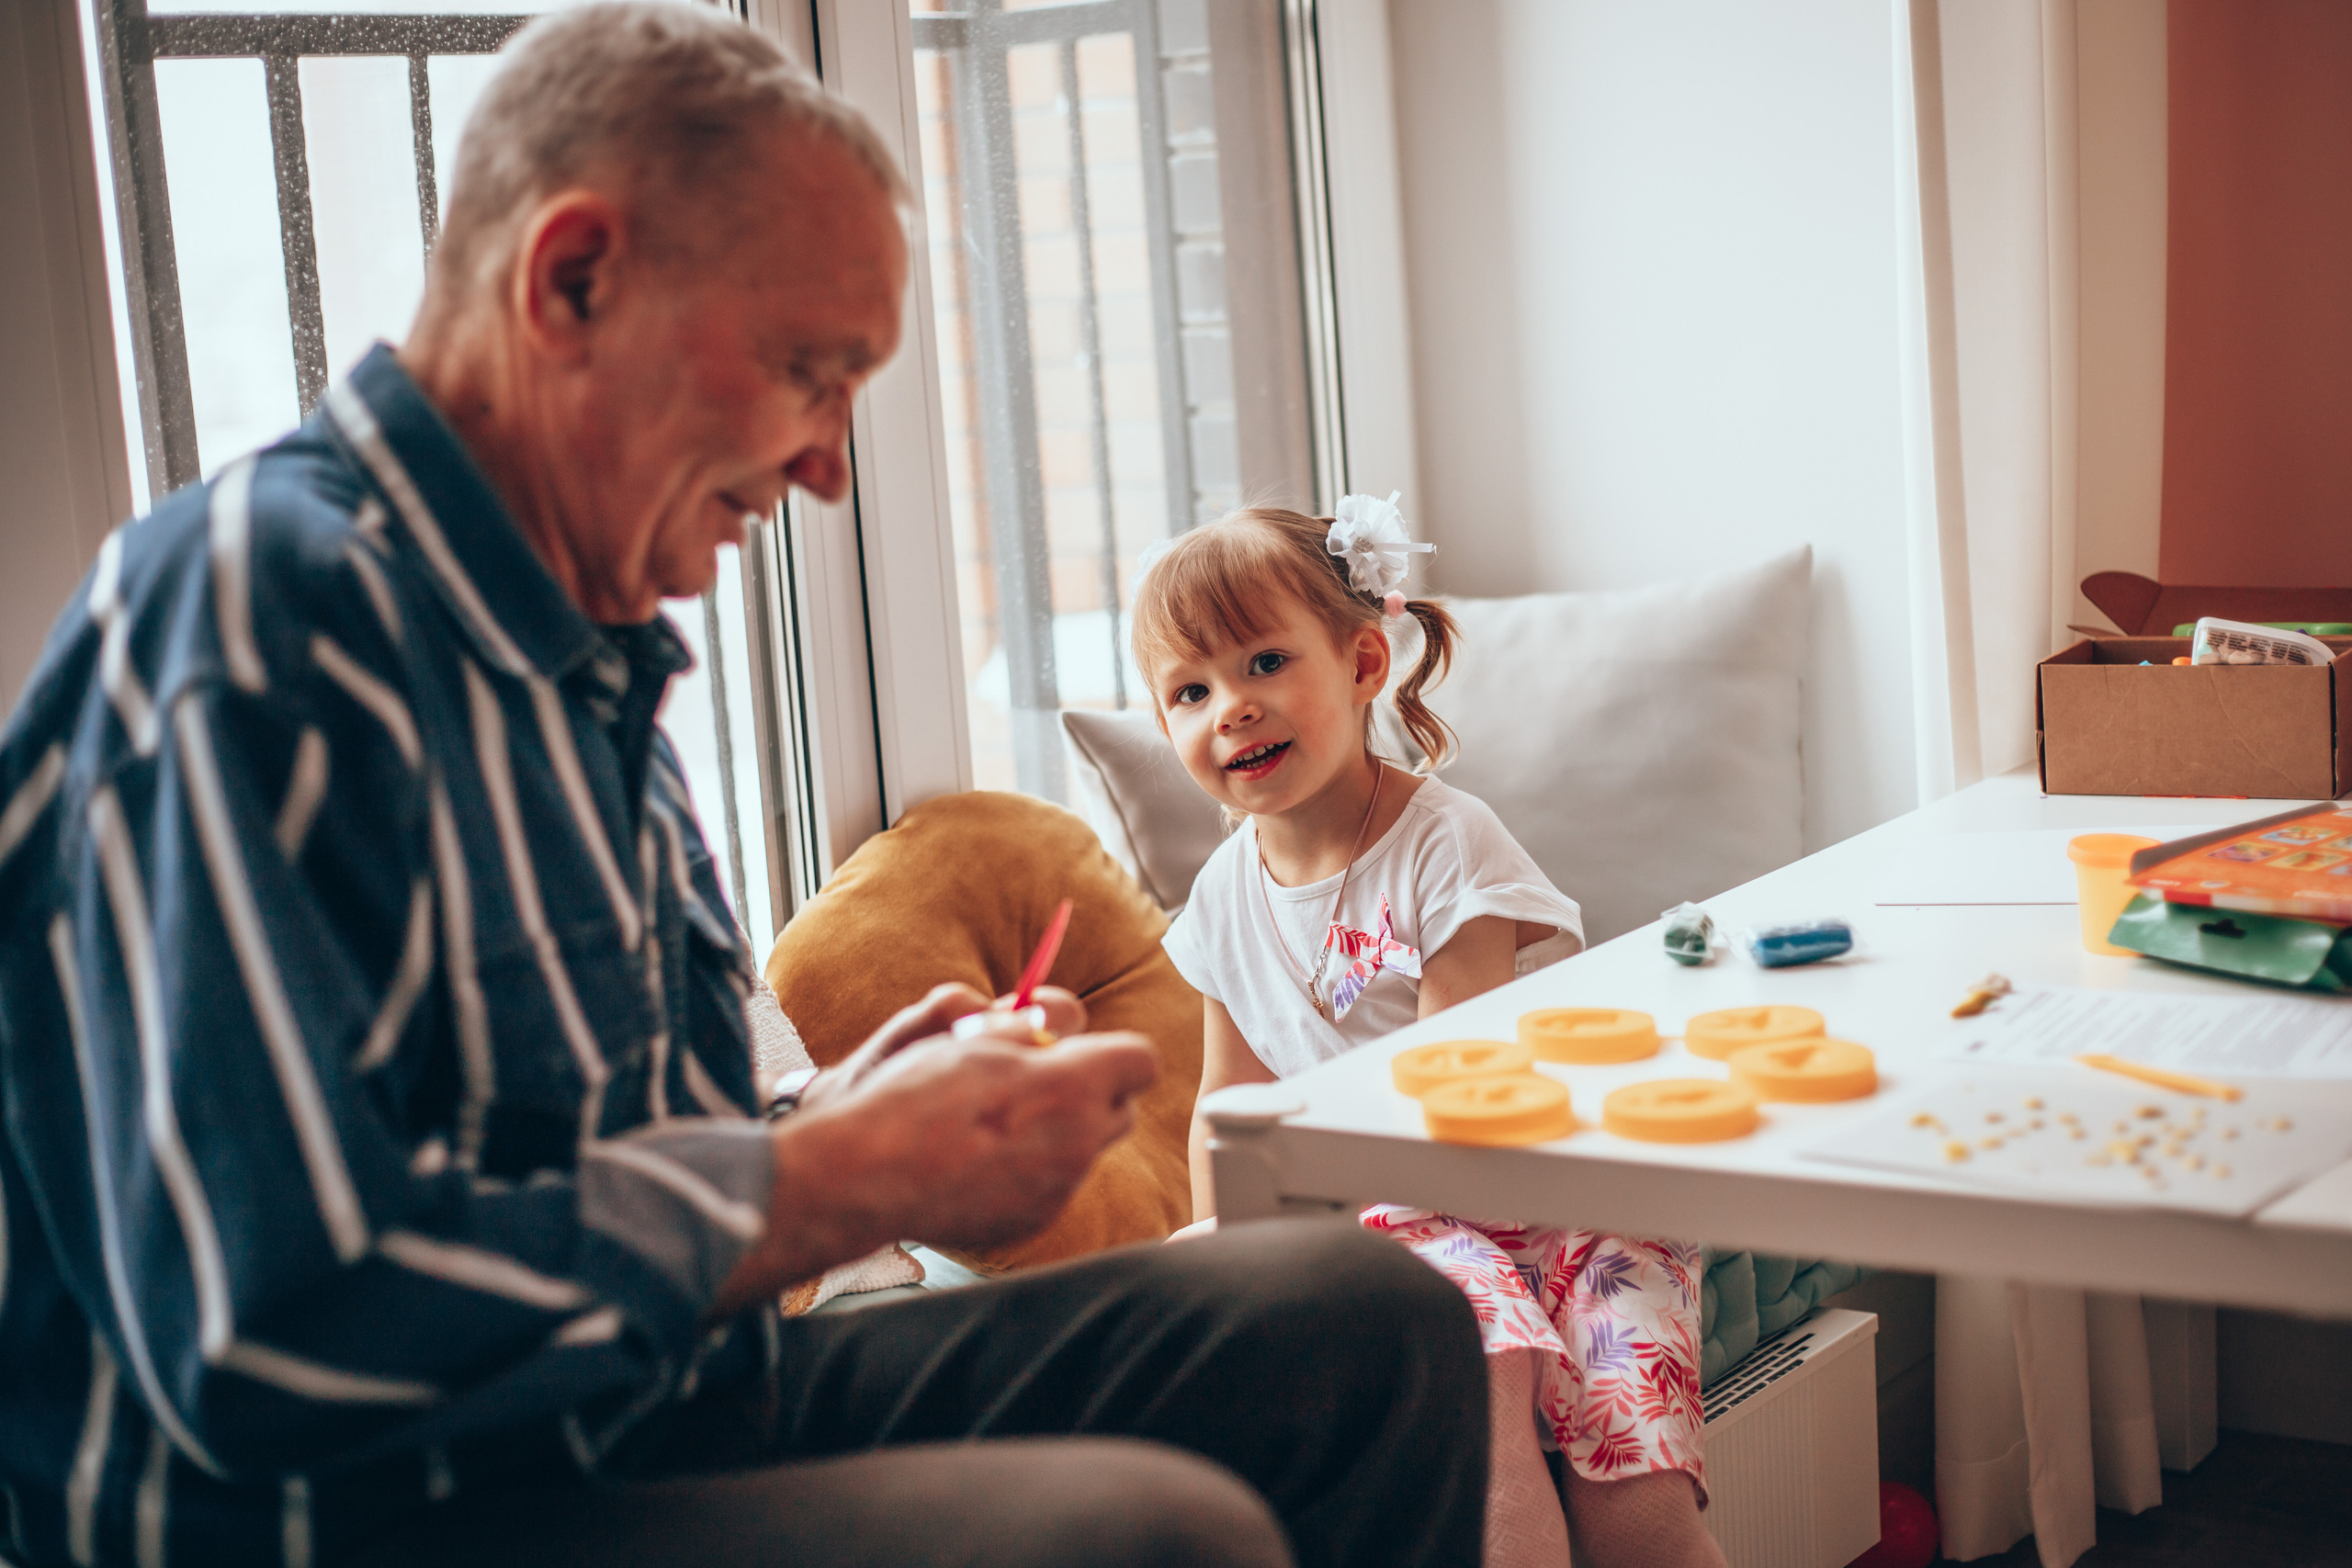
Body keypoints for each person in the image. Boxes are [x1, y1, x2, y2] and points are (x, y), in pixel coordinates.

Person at [0, 7, 1491, 1565]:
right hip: (368, 1514)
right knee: (1134, 1535)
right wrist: (818, 1179)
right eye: (810, 372)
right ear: (575, 279)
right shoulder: (256, 627)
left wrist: (848, 1114)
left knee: (1363, 1323)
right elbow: (260, 1338)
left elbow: (589, 1146)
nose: (830, 468)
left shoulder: (587, 657)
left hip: (652, 1410)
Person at [1137, 500, 1726, 1568]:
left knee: (1638, 1512)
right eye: (1190, 689)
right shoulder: (1222, 895)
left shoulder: (1448, 843)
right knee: (1478, 1422)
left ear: (1365, 663)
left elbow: (1441, 1091)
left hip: (1561, 1197)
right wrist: (1232, 1259)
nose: (1230, 707)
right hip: (1398, 1224)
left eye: (1264, 662)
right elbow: (1228, 1105)